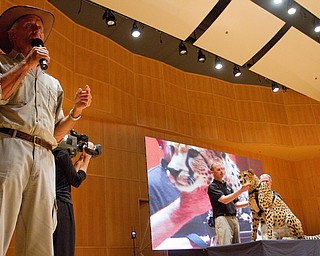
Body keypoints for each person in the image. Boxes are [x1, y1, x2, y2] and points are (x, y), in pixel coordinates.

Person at [0, 5, 92, 256]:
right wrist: (26, 66)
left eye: (39, 27)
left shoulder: (53, 83)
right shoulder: (3, 64)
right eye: (30, 25)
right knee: (0, 220)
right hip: (10, 145)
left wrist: (76, 111)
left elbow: (56, 134)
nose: (36, 30)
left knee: (41, 232)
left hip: (45, 156)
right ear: (12, 35)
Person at [148, 139, 214, 249]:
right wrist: (197, 242)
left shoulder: (216, 176)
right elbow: (141, 243)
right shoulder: (149, 183)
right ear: (160, 142)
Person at [53, 140, 94, 256]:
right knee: (64, 246)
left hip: (53, 203)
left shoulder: (53, 152)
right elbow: (76, 180)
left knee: (56, 244)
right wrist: (87, 159)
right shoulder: (62, 153)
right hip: (62, 205)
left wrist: (79, 162)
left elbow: (66, 177)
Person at [207, 161, 249, 245]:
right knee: (226, 246)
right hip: (222, 218)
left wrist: (250, 202)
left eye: (222, 169)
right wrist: (241, 190)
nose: (221, 171)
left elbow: (236, 204)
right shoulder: (212, 187)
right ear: (212, 172)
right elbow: (225, 200)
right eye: (218, 169)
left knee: (237, 246)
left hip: (234, 217)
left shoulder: (228, 186)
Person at [259, 173, 282, 239]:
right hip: (266, 226)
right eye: (262, 181)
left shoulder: (277, 196)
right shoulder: (257, 197)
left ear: (270, 182)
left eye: (266, 181)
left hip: (279, 225)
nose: (265, 183)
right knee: (271, 246)